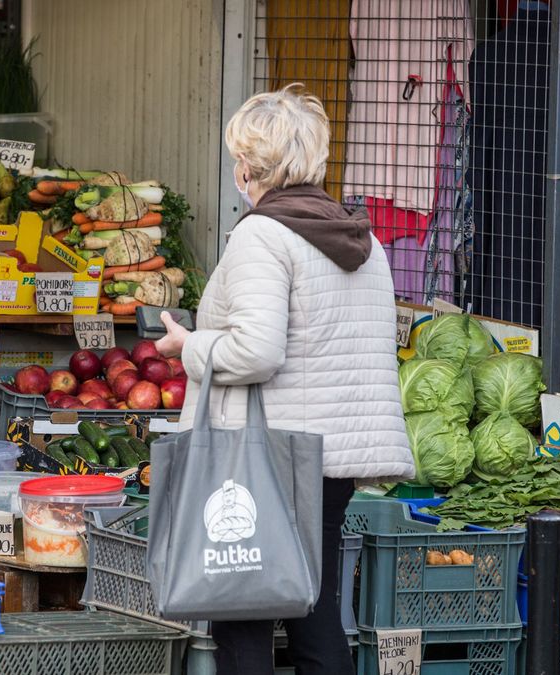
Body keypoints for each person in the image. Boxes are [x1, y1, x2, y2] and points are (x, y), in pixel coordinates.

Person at [155, 85, 415, 675]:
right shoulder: (361, 240)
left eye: (237, 162)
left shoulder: (262, 235)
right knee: (314, 610)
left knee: (240, 612)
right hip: (329, 459)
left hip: (268, 458)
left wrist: (189, 345)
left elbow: (256, 351)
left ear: (248, 166)